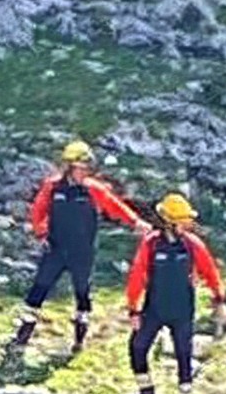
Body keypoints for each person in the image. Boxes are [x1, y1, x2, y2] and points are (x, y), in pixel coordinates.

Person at [11, 140, 150, 354]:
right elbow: (38, 210)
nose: (85, 171)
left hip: (82, 252)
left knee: (82, 293)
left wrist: (135, 222)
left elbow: (114, 206)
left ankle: (79, 340)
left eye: (87, 167)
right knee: (38, 291)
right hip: (55, 249)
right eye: (81, 167)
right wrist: (41, 233)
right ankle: (21, 339)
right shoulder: (53, 186)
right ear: (70, 166)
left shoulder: (93, 189)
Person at [126, 193, 226, 394]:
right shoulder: (150, 243)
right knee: (137, 348)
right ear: (169, 221)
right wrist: (133, 308)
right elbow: (137, 275)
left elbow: (210, 271)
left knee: (184, 355)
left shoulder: (192, 244)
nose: (188, 223)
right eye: (183, 220)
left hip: (182, 311)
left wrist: (219, 300)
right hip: (154, 309)